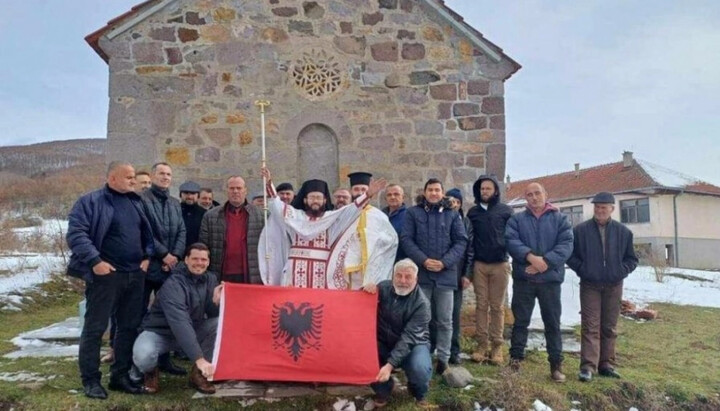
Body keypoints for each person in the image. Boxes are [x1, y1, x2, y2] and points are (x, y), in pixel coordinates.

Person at [66, 161, 154, 399]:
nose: (133, 181)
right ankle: (91, 381)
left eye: (134, 177)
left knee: (127, 327)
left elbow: (148, 233)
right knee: (95, 329)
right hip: (105, 277)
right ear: (112, 178)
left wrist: (147, 256)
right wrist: (95, 261)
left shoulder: (136, 202)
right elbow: (76, 234)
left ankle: (119, 376)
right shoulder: (90, 202)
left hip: (135, 275)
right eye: (128, 177)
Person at [259, 166, 386, 289]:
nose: (315, 201)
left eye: (319, 198)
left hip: (322, 272)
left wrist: (367, 194)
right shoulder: (295, 217)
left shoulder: (331, 219)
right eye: (312, 197)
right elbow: (277, 205)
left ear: (325, 200)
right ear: (305, 200)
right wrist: (269, 183)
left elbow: (352, 210)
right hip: (294, 272)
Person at [505, 182, 573, 383]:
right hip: (524, 279)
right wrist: (531, 258)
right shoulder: (516, 220)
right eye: (529, 195)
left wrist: (546, 262)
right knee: (520, 322)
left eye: (537, 193)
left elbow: (567, 244)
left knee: (552, 323)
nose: (534, 197)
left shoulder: (560, 219)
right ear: (525, 198)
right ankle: (515, 362)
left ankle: (556, 365)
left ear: (545, 194)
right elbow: (511, 241)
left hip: (549, 281)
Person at [132, 243, 222, 395]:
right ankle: (150, 371)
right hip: (160, 333)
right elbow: (179, 322)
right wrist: (198, 358)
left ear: (208, 262)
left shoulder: (210, 279)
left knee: (220, 324)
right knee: (144, 355)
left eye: (203, 259)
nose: (199, 263)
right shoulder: (173, 283)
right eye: (195, 259)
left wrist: (218, 301)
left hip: (192, 329)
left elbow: (213, 314)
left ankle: (198, 375)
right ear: (186, 260)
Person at [567, 192, 638, 382]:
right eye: (597, 207)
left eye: (604, 207)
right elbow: (571, 256)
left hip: (614, 285)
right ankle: (588, 367)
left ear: (612, 209)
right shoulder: (580, 231)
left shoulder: (624, 232)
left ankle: (606, 364)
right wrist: (583, 269)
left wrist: (620, 271)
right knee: (590, 325)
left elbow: (632, 259)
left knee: (609, 326)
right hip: (590, 284)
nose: (600, 211)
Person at [401, 178, 467, 375]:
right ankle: (422, 357)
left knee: (445, 320)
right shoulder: (413, 213)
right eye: (430, 190)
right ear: (425, 192)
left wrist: (444, 262)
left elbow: (461, 241)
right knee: (422, 318)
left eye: (437, 190)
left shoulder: (452, 215)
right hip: (421, 275)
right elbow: (406, 239)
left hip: (446, 276)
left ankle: (444, 359)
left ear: (442, 193)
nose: (434, 193)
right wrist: (423, 260)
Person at [140, 162, 187, 376]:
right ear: (153, 175)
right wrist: (164, 255)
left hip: (170, 268)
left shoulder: (175, 203)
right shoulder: (142, 200)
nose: (165, 177)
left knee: (169, 314)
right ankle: (141, 362)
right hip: (149, 266)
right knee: (141, 313)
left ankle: (164, 359)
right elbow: (145, 232)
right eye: (161, 173)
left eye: (169, 174)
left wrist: (175, 256)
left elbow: (181, 231)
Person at [369, 259, 432, 408]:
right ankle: (383, 389)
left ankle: (418, 392)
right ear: (392, 276)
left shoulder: (422, 303)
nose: (403, 281)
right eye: (399, 276)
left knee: (419, 367)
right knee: (364, 354)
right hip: (384, 341)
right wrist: (367, 290)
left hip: (414, 344)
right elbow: (361, 305)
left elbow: (409, 338)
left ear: (416, 279)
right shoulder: (383, 288)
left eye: (408, 277)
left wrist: (390, 365)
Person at [466, 175, 513, 365]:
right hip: (480, 264)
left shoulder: (506, 211)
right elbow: (469, 239)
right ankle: (481, 345)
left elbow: (513, 235)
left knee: (497, 306)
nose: (485, 191)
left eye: (488, 188)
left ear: (495, 191)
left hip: (500, 264)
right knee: (481, 305)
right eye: (482, 189)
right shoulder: (473, 213)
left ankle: (497, 346)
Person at [337, 172, 398, 290]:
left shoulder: (379, 216)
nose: (360, 193)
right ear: (350, 191)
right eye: (356, 189)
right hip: (346, 270)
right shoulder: (344, 214)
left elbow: (392, 241)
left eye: (364, 189)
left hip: (371, 269)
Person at [199, 176, 264, 284]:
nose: (235, 191)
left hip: (250, 274)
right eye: (232, 188)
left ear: (245, 190)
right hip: (220, 273)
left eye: (239, 188)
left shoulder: (261, 216)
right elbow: (203, 245)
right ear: (226, 191)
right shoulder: (211, 216)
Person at [444, 188, 473, 365]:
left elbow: (470, 250)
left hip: (457, 276)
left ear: (460, 204)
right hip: (440, 275)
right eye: (449, 200)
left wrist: (467, 274)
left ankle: (454, 351)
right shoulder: (439, 218)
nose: (452, 204)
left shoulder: (466, 223)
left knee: (453, 315)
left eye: (455, 201)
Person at [382, 184, 408, 262]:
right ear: (385, 199)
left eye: (396, 194)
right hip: (383, 261)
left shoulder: (410, 216)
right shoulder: (380, 216)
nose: (392, 197)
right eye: (389, 195)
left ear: (403, 197)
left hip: (401, 261)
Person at [179, 181, 206, 246]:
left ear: (198, 195)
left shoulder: (204, 213)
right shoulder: (173, 211)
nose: (189, 196)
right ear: (180, 195)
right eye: (186, 193)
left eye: (193, 193)